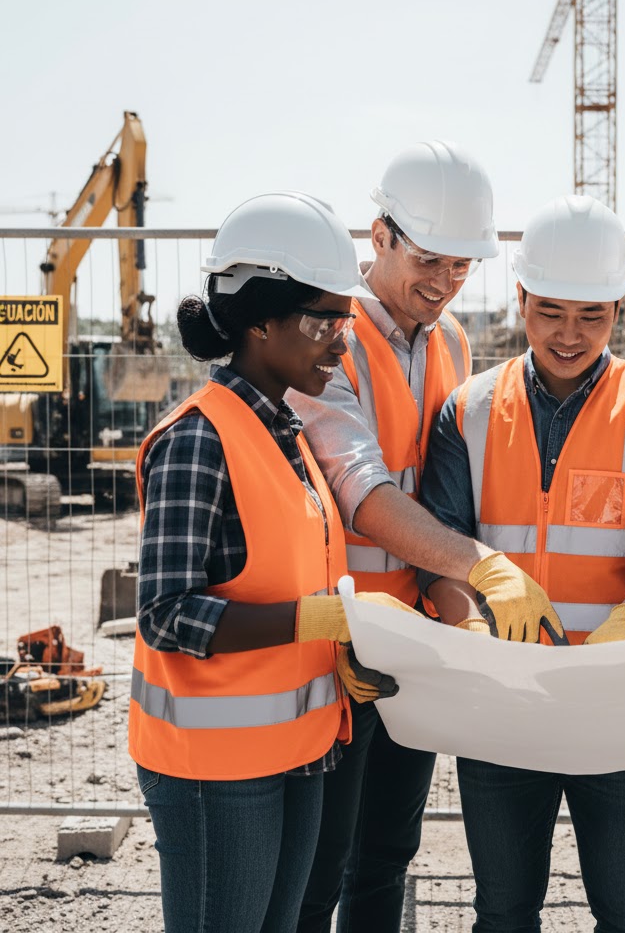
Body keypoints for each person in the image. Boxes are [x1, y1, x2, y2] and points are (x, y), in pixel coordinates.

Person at [129, 191, 421, 933]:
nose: (341, 345)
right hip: (215, 770)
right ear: (260, 321)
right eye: (325, 322)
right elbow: (166, 615)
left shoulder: (288, 434)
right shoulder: (198, 440)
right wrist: (320, 620)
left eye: (346, 323)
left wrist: (337, 646)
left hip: (297, 749)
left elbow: (283, 577)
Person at [293, 142, 565, 933]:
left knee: (386, 852)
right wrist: (486, 567)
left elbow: (446, 490)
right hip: (336, 639)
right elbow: (363, 494)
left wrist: (457, 609)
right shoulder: (328, 335)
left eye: (461, 266)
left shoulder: (451, 343)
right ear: (379, 236)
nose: (445, 283)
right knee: (320, 865)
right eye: (429, 260)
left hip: (416, 639)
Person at [418, 194, 625, 933]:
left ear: (619, 309)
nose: (569, 334)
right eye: (550, 311)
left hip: (620, 698)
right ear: (520, 298)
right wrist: (467, 631)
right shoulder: (469, 410)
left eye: (592, 315)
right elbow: (439, 543)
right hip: (503, 700)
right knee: (504, 911)